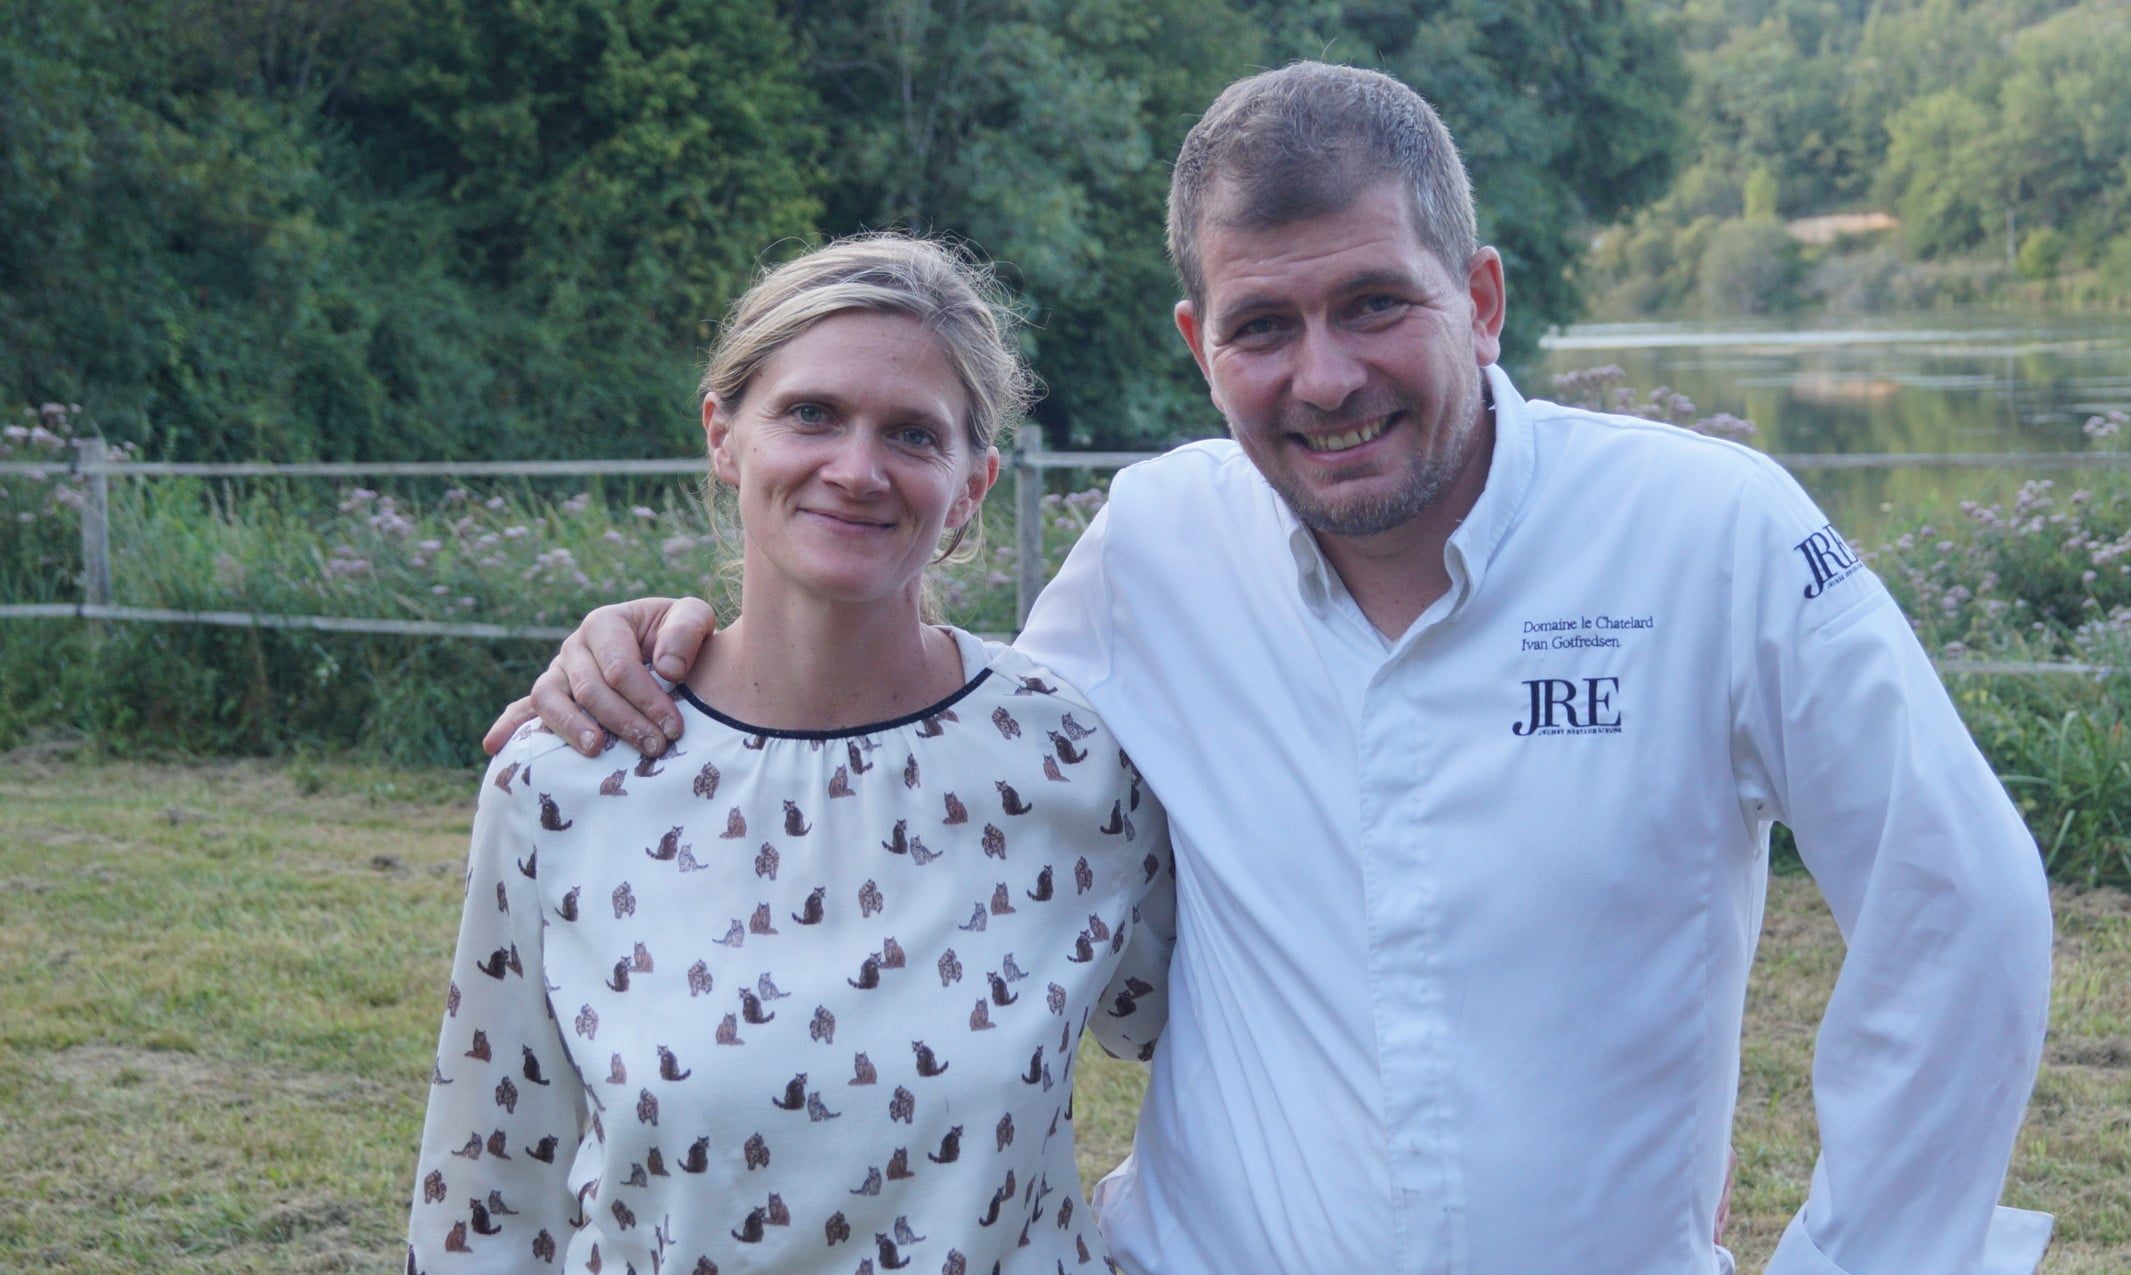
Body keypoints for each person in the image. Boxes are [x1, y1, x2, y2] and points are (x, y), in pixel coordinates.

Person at [488, 63, 2055, 1275]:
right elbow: (943, 766)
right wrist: (683, 654)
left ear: (1482, 298)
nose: (1324, 374)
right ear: (1195, 341)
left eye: (1375, 302)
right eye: (1262, 324)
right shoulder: (1160, 539)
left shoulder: (1704, 528)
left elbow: (1956, 903)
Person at [408, 233, 1173, 1274]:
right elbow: (486, 1191)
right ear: (724, 436)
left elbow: (1225, 1050)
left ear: (972, 488)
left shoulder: (1072, 763)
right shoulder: (565, 779)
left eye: (912, 434)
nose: (856, 470)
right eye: (811, 414)